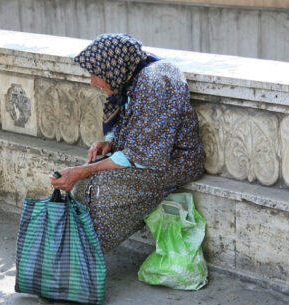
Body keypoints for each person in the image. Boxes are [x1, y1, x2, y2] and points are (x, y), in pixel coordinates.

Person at [50, 33, 205, 254]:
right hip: (147, 153)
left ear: (113, 68)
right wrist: (110, 143)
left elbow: (141, 154)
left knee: (105, 188)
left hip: (176, 161)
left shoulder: (154, 83)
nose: (92, 81)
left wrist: (81, 171)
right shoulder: (133, 73)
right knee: (86, 185)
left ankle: (87, 255)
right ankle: (76, 252)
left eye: (96, 74)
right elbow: (133, 126)